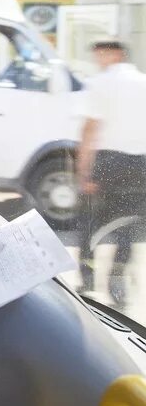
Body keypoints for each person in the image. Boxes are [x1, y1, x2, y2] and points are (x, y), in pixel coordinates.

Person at [76, 40, 146, 307]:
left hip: (108, 162)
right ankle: (117, 282)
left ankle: (87, 278)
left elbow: (90, 129)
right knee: (126, 224)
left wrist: (83, 172)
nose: (98, 60)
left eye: (102, 54)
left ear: (117, 54)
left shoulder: (101, 83)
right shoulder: (143, 82)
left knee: (90, 222)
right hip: (139, 164)